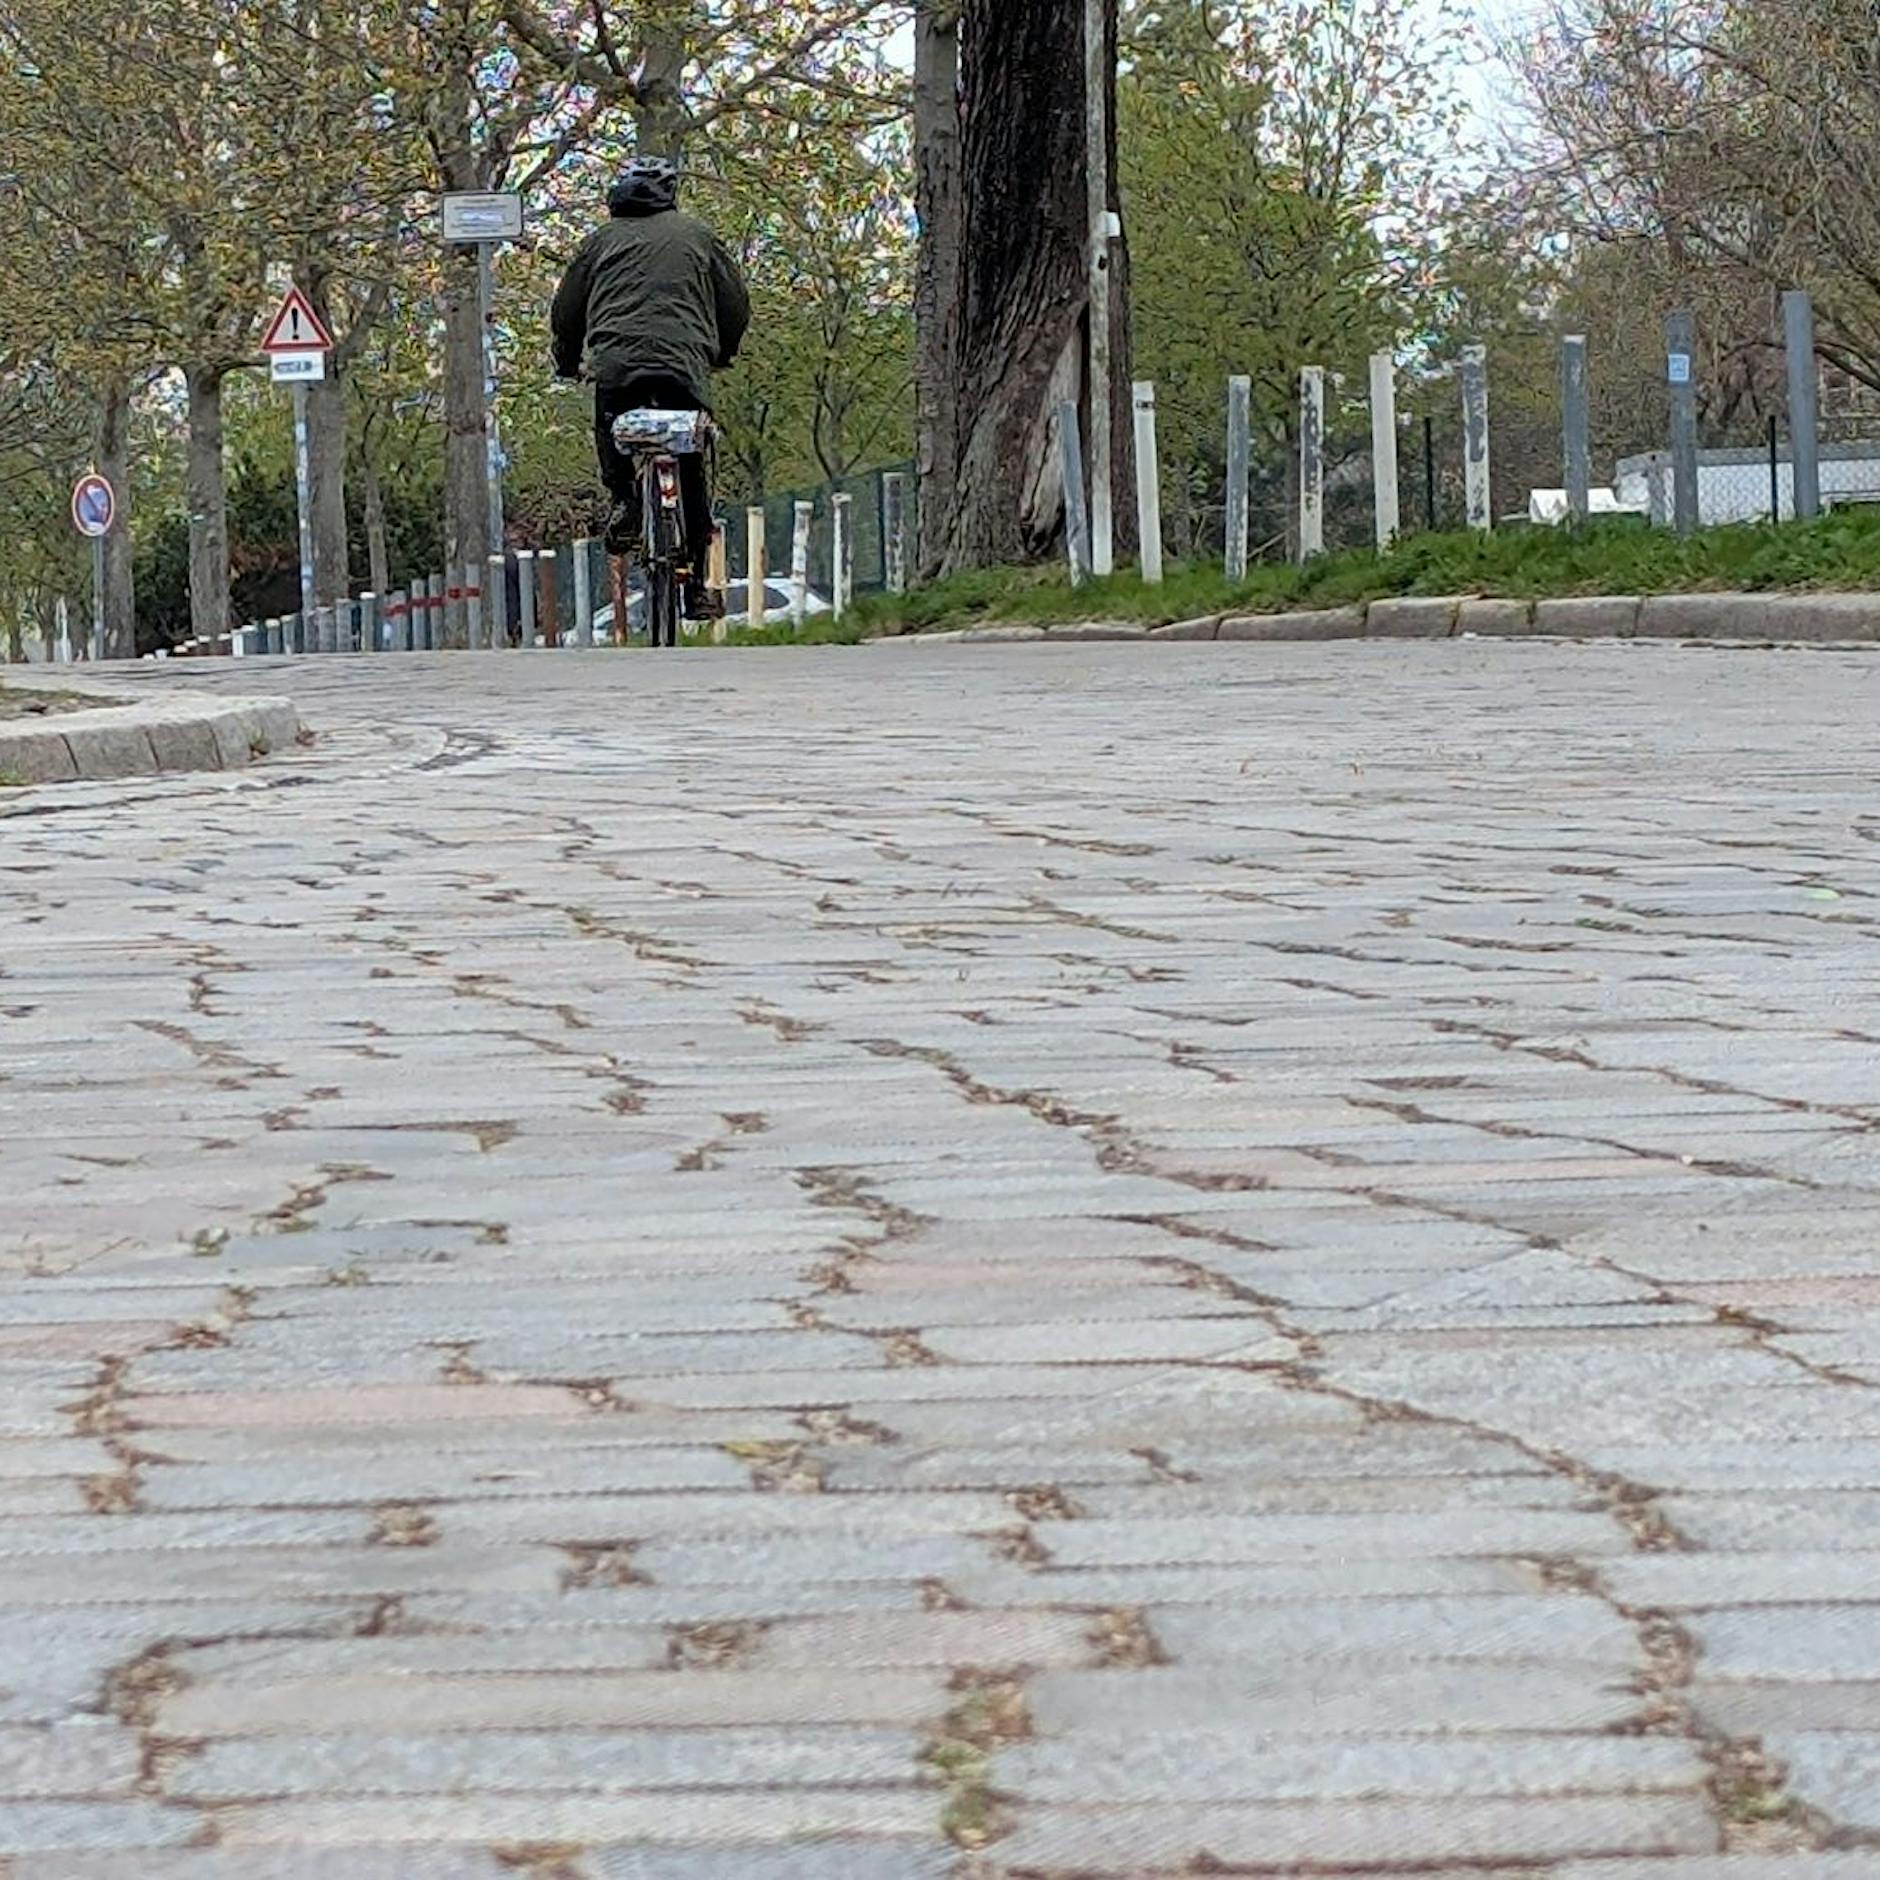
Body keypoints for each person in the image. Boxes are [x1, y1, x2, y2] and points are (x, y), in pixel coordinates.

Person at [551, 156, 751, 620]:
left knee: (610, 422)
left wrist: (567, 361)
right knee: (693, 463)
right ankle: (698, 587)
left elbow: (566, 311)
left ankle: (623, 498)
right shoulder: (699, 237)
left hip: (617, 366)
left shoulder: (598, 242)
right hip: (685, 367)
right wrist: (724, 350)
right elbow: (735, 303)